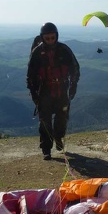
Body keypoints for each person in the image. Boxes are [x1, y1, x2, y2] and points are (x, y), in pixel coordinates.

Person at [27, 22, 80, 160]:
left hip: (62, 90)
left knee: (62, 118)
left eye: (52, 37)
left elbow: (75, 68)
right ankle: (46, 149)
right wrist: (34, 94)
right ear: (42, 37)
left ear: (56, 36)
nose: (50, 40)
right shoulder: (37, 53)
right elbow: (30, 76)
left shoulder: (64, 50)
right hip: (44, 91)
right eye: (47, 38)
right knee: (45, 122)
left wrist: (73, 86)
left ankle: (58, 138)